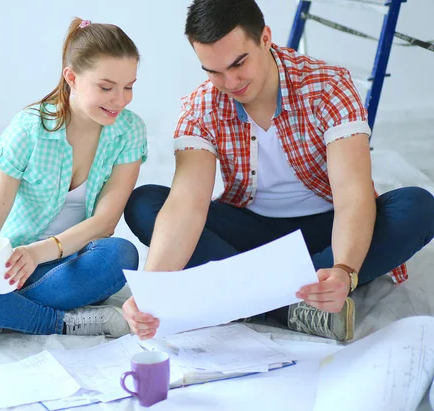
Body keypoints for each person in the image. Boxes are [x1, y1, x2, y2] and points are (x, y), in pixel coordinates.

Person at [123, 0, 434, 342]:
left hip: (326, 229)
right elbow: (186, 204)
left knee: (418, 206)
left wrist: (344, 269)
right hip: (249, 232)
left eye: (239, 63)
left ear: (266, 38)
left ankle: (253, 294)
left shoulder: (328, 87)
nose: (230, 82)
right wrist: (155, 289)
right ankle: (289, 303)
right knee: (146, 203)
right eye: (213, 71)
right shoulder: (200, 108)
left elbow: (353, 196)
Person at [0, 18, 147, 343]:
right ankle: (59, 322)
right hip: (11, 266)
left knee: (120, 255)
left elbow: (105, 222)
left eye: (128, 86)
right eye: (106, 87)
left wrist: (39, 253)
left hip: (71, 263)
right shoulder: (28, 130)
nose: (120, 100)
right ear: (72, 78)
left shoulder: (129, 130)